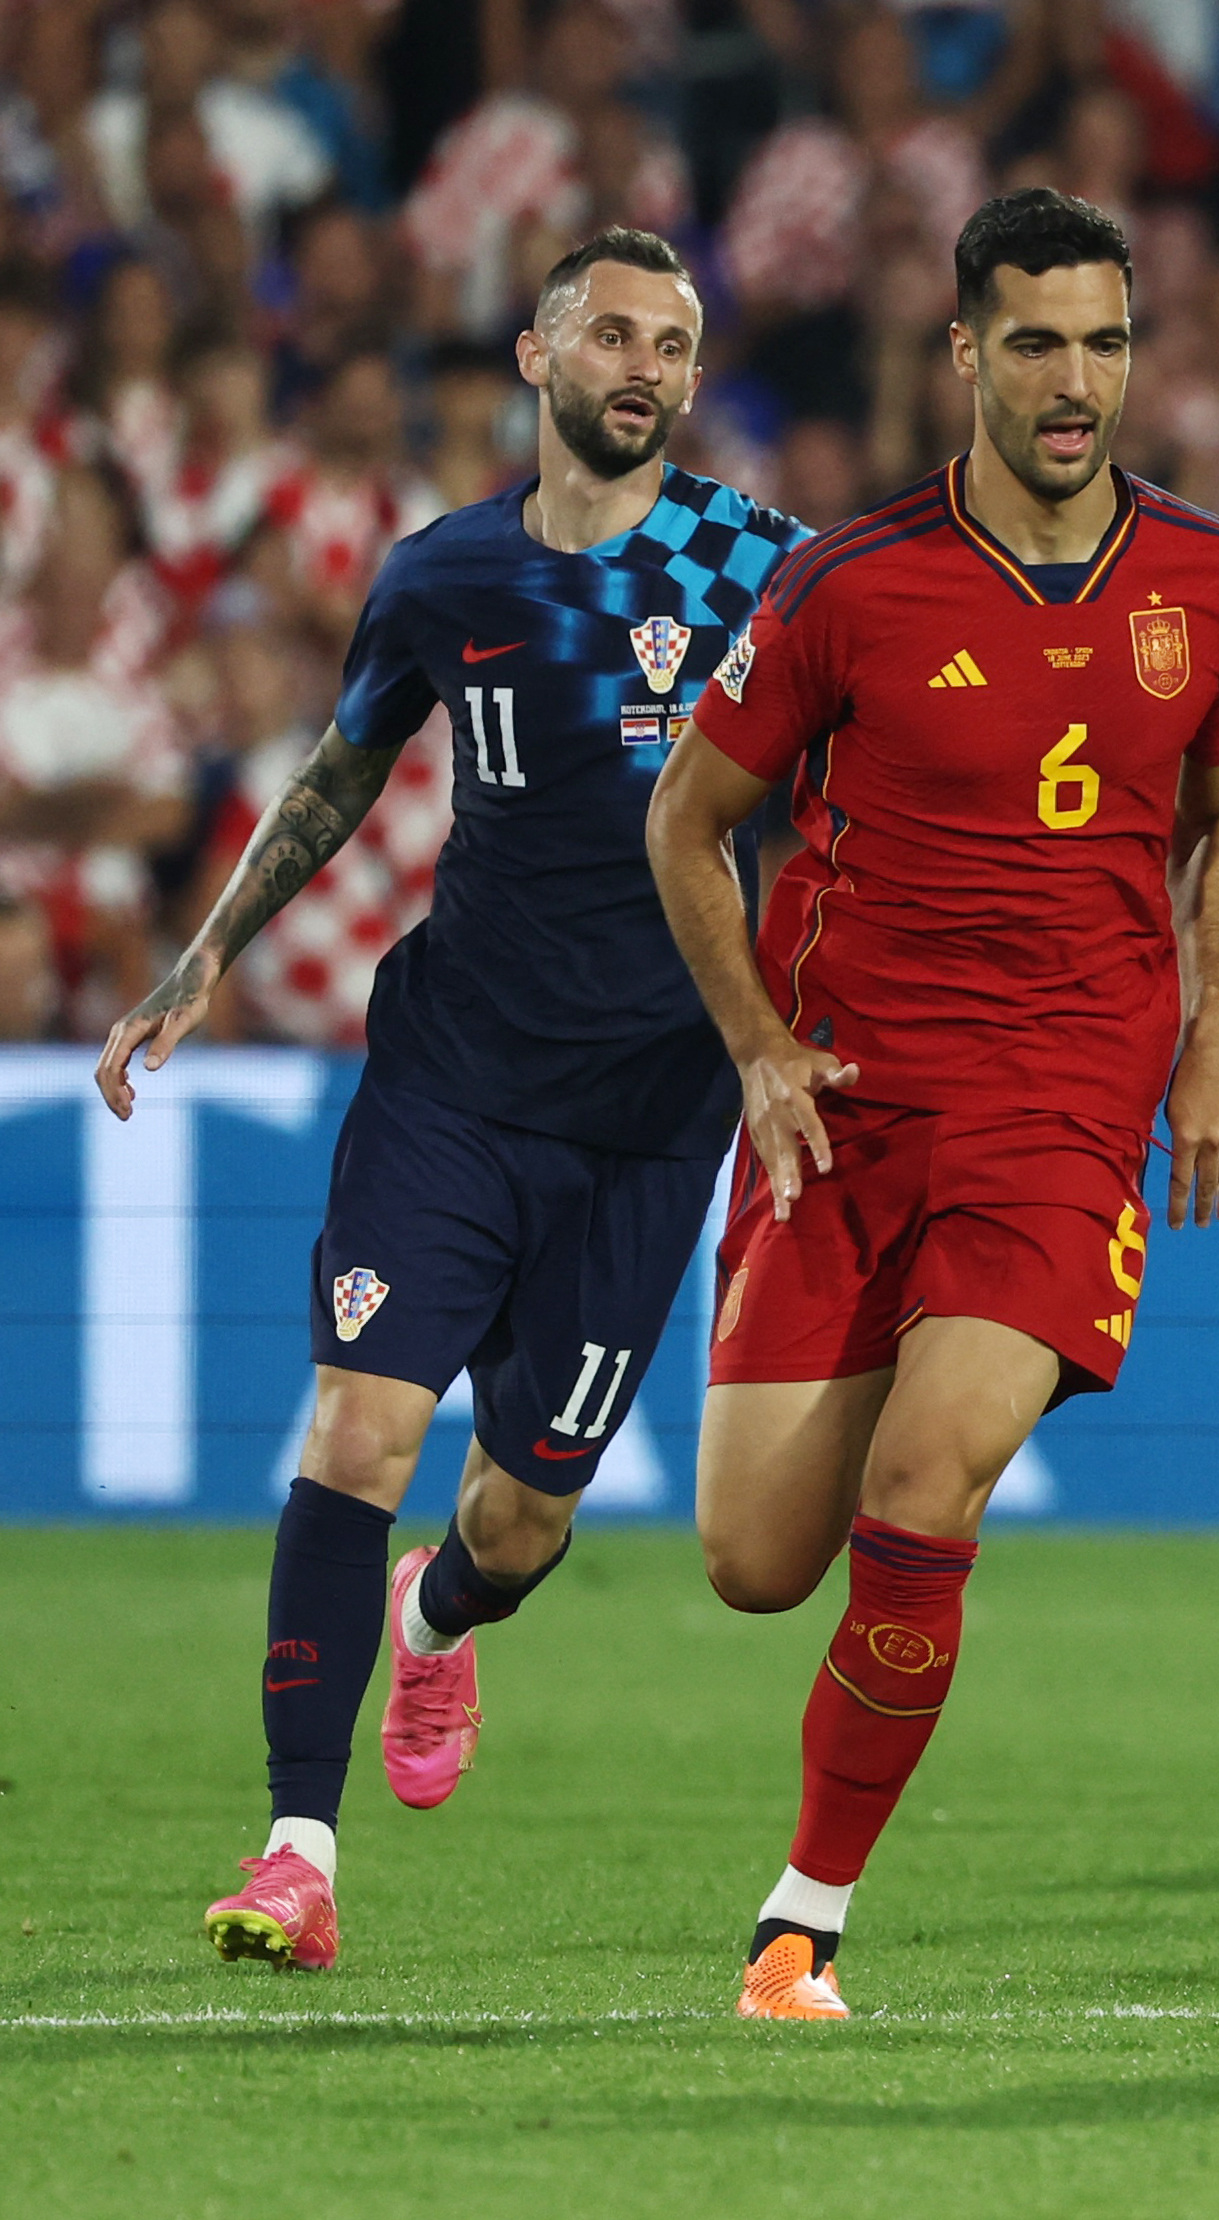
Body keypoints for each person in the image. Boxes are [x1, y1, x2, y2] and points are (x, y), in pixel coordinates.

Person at [94, 228, 807, 1973]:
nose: (647, 365)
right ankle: (296, 1853)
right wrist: (204, 956)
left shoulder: (768, 570)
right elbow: (342, 774)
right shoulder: (446, 576)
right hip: (455, 1080)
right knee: (355, 1431)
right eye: (616, 334)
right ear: (535, 356)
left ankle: (438, 1615)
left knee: (522, 1514)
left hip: (651, 1121)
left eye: (676, 343)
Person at [643, 188, 1219, 2021]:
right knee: (758, 1564)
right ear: (964, 354)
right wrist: (760, 1046)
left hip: (1067, 1107)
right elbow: (686, 825)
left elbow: (1215, 818)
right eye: (1036, 344)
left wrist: (1217, 1033)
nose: (1075, 384)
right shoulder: (850, 583)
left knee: (935, 1483)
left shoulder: (1217, 581)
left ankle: (801, 1923)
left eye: (1104, 343)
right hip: (847, 1105)